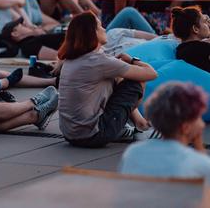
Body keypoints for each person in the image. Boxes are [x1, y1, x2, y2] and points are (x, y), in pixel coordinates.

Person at [58, 12, 158, 148]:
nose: (105, 29)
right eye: (100, 26)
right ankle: (138, 126)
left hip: (70, 134)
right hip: (93, 136)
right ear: (92, 32)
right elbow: (151, 74)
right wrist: (132, 60)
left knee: (117, 79)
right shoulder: (98, 61)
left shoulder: (72, 59)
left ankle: (137, 124)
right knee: (134, 82)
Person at [119, 82, 210, 180]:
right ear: (185, 127)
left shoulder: (132, 153)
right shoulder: (199, 163)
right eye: (198, 117)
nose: (202, 124)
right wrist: (199, 147)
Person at [172, 6, 210, 73]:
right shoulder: (203, 48)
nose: (208, 24)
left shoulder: (180, 50)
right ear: (195, 29)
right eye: (205, 22)